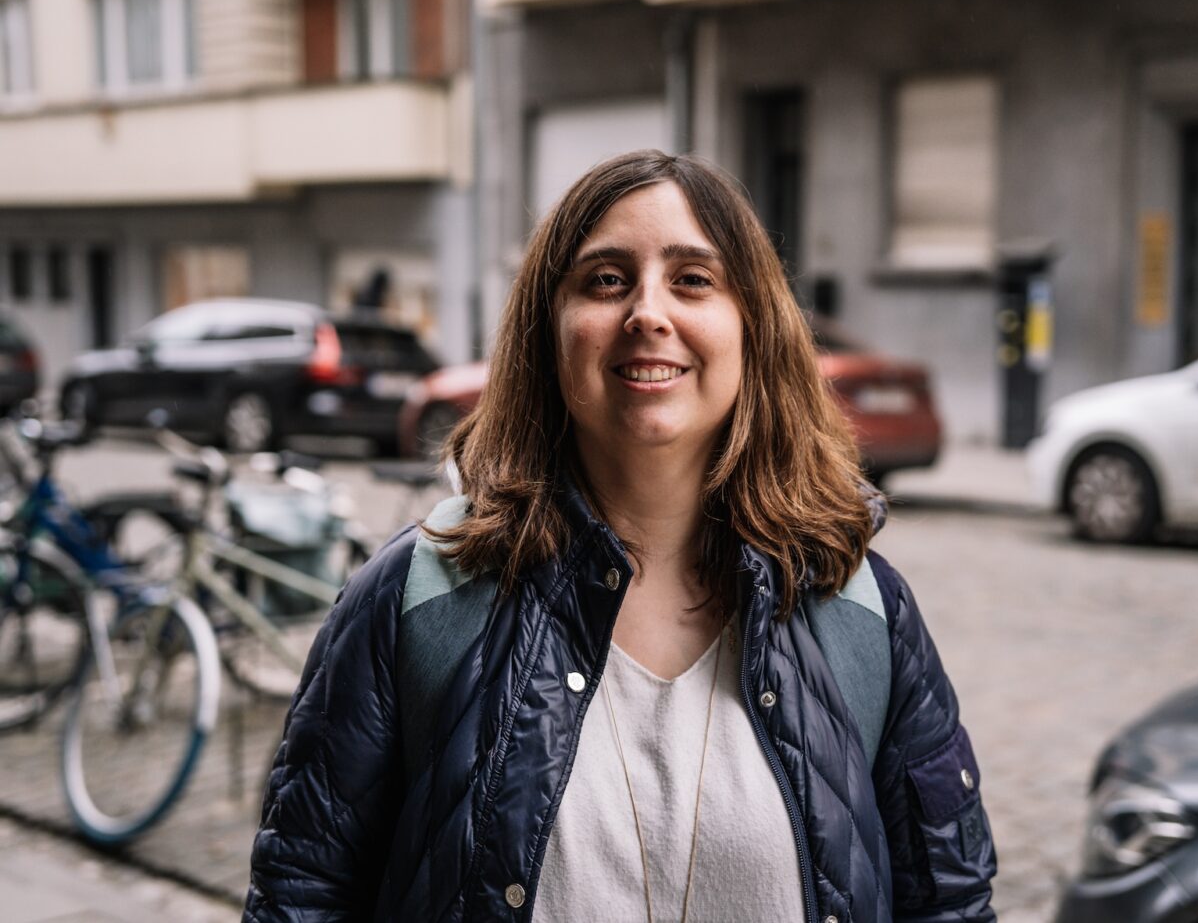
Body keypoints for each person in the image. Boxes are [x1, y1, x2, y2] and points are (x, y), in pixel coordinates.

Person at [244, 150, 997, 922]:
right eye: (605, 280)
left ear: (753, 328)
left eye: (693, 279)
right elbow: (302, 895)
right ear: (549, 330)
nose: (648, 312)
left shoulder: (863, 610)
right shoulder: (416, 598)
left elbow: (951, 905)